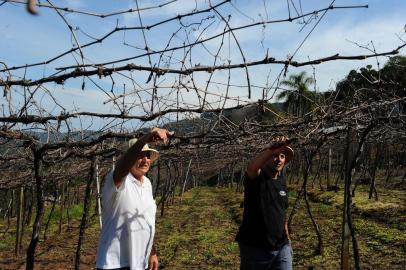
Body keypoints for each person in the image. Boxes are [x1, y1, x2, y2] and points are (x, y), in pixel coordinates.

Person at [96, 127, 171, 270]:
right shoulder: (118, 179)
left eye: (148, 156)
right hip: (114, 264)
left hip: (139, 262)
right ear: (130, 158)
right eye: (140, 155)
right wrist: (145, 139)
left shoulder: (147, 184)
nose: (145, 160)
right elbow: (123, 166)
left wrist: (152, 251)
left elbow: (145, 221)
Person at [236, 136, 294, 270]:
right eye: (275, 156)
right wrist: (271, 149)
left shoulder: (281, 182)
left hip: (281, 246)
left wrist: (288, 241)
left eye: (282, 156)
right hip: (255, 248)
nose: (279, 159)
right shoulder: (256, 179)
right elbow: (251, 168)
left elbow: (281, 212)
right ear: (266, 158)